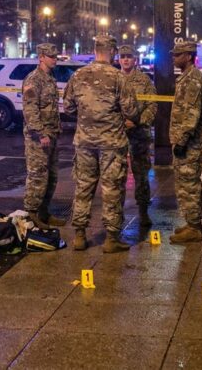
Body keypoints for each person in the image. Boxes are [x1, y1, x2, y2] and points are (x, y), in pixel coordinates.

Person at [63, 36, 140, 253]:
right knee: (112, 188)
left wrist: (86, 118)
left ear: (95, 50)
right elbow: (131, 110)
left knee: (83, 186)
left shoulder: (78, 75)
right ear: (113, 52)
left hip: (84, 141)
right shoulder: (118, 77)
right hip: (111, 143)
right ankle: (111, 238)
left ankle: (80, 235)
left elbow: (68, 107)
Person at [169, 41, 202, 244]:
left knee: (189, 184)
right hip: (185, 141)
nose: (174, 58)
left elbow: (192, 113)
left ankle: (194, 227)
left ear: (188, 56)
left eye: (177, 55)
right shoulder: (187, 77)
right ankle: (192, 222)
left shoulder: (193, 79)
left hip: (189, 143)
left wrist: (182, 140)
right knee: (185, 184)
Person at [22, 43, 64, 230]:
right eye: (51, 56)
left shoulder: (50, 78)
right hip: (38, 138)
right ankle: (31, 215)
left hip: (52, 134)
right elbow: (30, 110)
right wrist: (40, 133)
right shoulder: (34, 79)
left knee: (52, 177)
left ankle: (44, 213)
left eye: (55, 57)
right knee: (38, 176)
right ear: (41, 57)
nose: (54, 60)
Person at [117, 44, 157, 226]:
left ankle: (143, 211)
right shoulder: (114, 79)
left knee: (141, 176)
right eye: (122, 56)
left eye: (129, 56)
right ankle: (116, 213)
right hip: (117, 135)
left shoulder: (144, 80)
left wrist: (138, 121)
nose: (125, 59)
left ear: (135, 59)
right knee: (116, 176)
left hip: (139, 135)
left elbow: (152, 105)